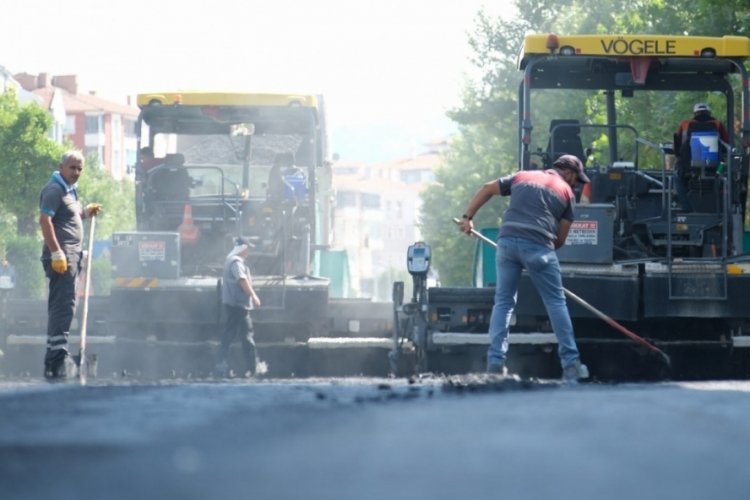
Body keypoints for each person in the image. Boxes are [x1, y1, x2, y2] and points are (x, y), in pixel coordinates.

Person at [458, 154, 590, 383]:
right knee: (555, 302)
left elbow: (487, 188)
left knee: (504, 302)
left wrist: (467, 217)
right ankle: (571, 365)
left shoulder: (522, 175)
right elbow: (561, 239)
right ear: (568, 173)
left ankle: (496, 363)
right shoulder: (566, 193)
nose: (575, 186)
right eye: (576, 180)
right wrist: (539, 254)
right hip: (539, 248)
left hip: (507, 243)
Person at [38, 150, 102, 380]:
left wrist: (84, 213)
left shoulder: (70, 191)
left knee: (67, 305)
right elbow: (45, 220)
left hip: (72, 256)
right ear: (61, 167)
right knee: (62, 305)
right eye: (72, 167)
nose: (76, 172)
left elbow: (67, 219)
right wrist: (56, 252)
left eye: (80, 168)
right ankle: (56, 357)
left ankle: (55, 355)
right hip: (61, 257)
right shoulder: (55, 189)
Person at [216, 237, 262, 378]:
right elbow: (242, 280)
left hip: (237, 305)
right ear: (242, 248)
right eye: (248, 248)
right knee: (235, 335)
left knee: (243, 334)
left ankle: (251, 368)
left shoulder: (232, 260)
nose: (249, 251)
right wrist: (254, 296)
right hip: (237, 305)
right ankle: (225, 365)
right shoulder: (236, 262)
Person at [672, 103, 731, 212]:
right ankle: (721, 205)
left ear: (695, 113)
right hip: (716, 168)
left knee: (676, 175)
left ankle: (685, 207)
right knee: (725, 169)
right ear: (709, 113)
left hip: (689, 168)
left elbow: (677, 147)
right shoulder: (718, 124)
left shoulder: (685, 124)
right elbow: (726, 144)